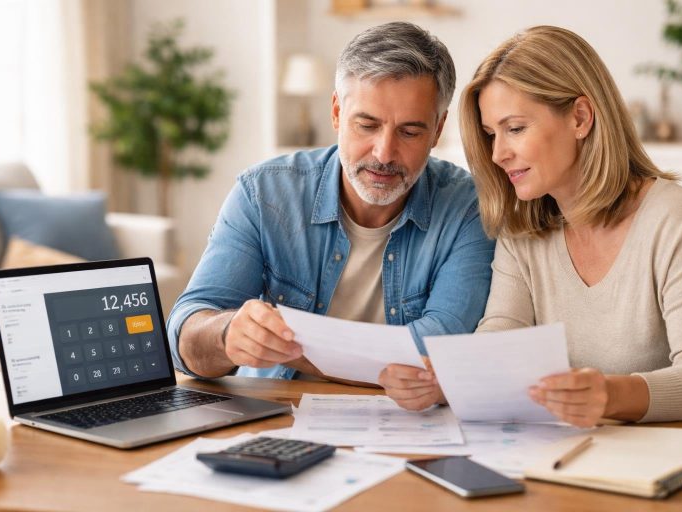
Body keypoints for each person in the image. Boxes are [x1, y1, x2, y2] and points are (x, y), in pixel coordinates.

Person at [166, 21, 495, 410]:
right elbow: (184, 337)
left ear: (438, 129)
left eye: (409, 132)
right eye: (367, 124)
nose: (384, 153)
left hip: (406, 424)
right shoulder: (263, 194)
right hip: (273, 416)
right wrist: (226, 334)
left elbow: (440, 348)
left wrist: (292, 349)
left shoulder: (470, 207)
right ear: (338, 112)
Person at [454, 25, 682, 427]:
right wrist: (452, 376)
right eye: (490, 134)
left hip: (675, 466)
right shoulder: (523, 231)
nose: (499, 153)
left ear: (581, 117)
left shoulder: (677, 219)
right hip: (567, 458)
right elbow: (501, 336)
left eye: (515, 128)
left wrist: (609, 394)